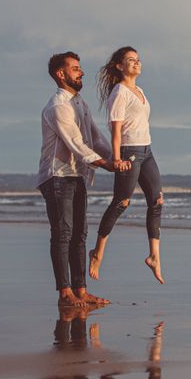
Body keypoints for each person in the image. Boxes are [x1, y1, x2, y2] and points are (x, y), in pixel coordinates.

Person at [37, 51, 130, 307]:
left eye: (79, 68)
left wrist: (117, 158)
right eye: (75, 68)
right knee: (63, 233)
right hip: (57, 176)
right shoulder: (58, 106)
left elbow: (95, 139)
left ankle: (80, 290)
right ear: (61, 74)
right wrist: (107, 165)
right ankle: (65, 293)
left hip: (77, 175)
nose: (81, 72)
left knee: (80, 234)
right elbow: (77, 145)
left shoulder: (80, 104)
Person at [89, 46, 165, 284]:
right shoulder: (119, 92)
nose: (136, 63)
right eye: (130, 60)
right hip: (129, 152)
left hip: (147, 150)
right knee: (122, 202)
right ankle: (97, 252)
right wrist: (116, 157)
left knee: (157, 200)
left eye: (138, 59)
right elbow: (115, 129)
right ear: (119, 66)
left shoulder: (139, 90)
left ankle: (154, 257)